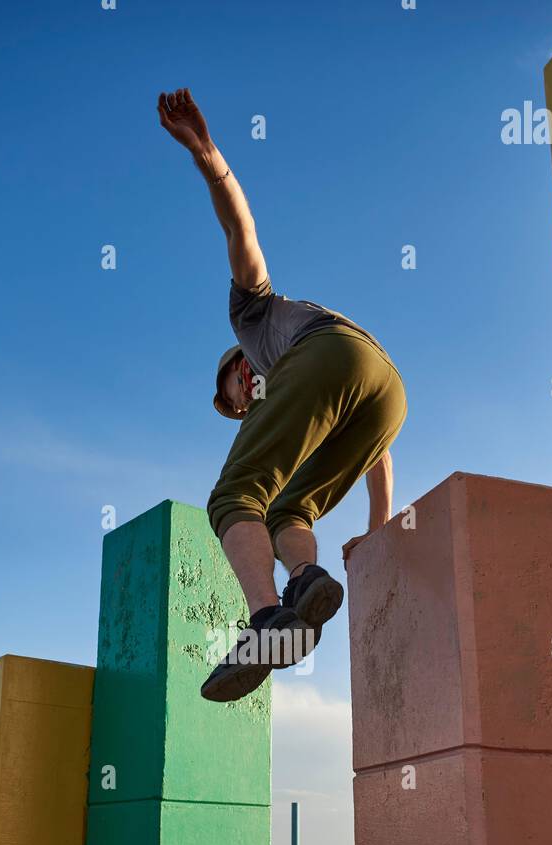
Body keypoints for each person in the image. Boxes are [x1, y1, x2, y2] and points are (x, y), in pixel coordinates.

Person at [158, 88, 407, 703]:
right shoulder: (302, 403)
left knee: (233, 495)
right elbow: (375, 453)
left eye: (240, 389)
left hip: (328, 351)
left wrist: (207, 156)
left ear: (243, 362)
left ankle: (266, 619)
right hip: (387, 393)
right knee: (285, 509)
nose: (247, 403)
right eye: (242, 409)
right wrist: (376, 529)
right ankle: (306, 579)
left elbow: (239, 227)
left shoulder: (253, 315)